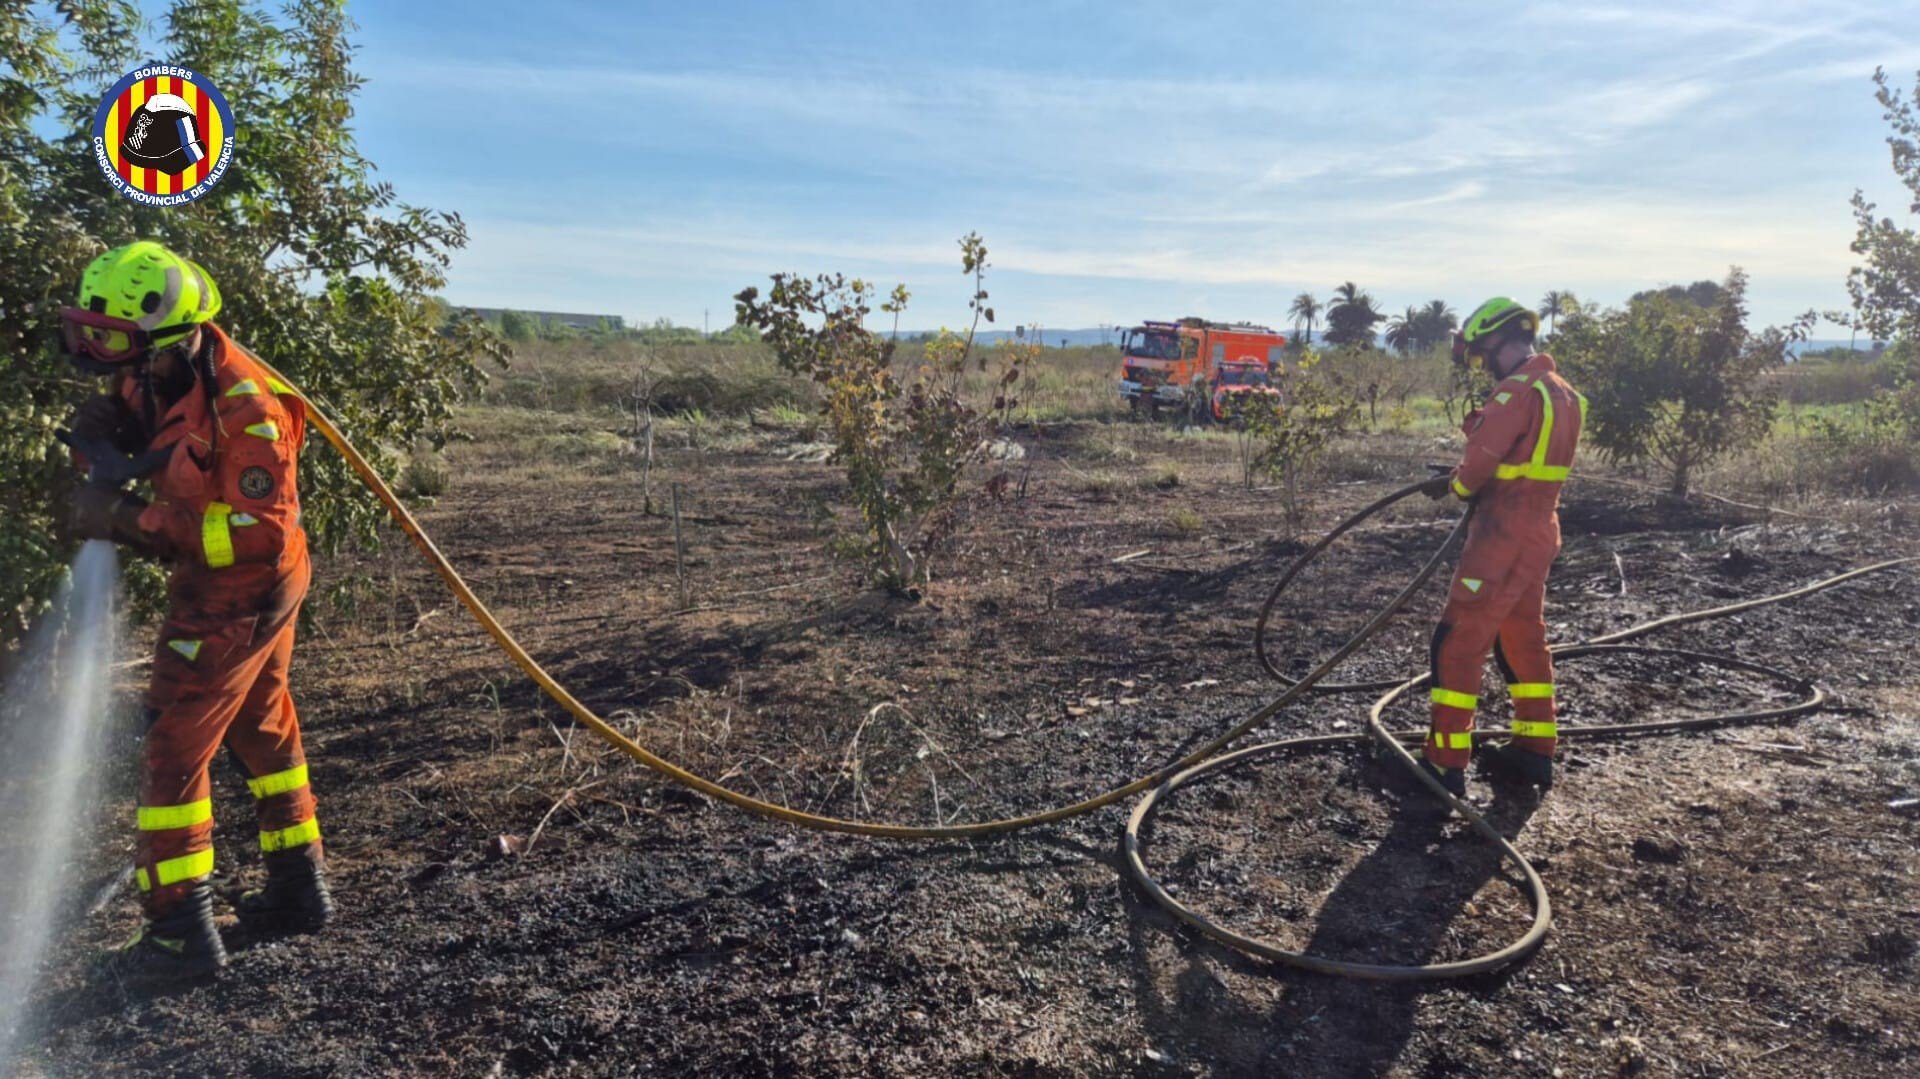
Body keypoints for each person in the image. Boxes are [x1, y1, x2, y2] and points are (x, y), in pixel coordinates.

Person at [59, 240, 333, 980]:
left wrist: (130, 519)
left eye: (111, 339)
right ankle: (297, 885)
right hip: (235, 584)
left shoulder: (248, 407)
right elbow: (147, 435)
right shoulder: (160, 371)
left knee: (174, 745)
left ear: (169, 334)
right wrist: (102, 442)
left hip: (241, 585)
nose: (97, 353)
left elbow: (257, 531)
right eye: (88, 333)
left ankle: (178, 933)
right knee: (260, 722)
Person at [1413, 297, 1586, 804]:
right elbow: (1524, 461)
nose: (1481, 364)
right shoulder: (1565, 393)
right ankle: (1535, 748)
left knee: (1458, 640)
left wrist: (1453, 485)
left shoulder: (1515, 393)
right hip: (1539, 531)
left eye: (1481, 352)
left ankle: (1443, 764)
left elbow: (1477, 472)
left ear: (1495, 339)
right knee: (1521, 639)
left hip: (1501, 536)